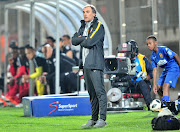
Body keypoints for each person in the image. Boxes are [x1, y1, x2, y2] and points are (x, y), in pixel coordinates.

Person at [72, 5, 107, 127]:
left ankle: (102, 119)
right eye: (83, 12)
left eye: (87, 12)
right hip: (86, 65)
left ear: (94, 14)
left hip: (95, 64)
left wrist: (82, 39)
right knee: (91, 93)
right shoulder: (83, 27)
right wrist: (83, 37)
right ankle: (93, 119)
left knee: (99, 92)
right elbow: (73, 40)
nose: (85, 14)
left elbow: (89, 42)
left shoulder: (99, 26)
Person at [146, 35, 180, 103]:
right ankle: (164, 103)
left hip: (173, 67)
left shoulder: (163, 49)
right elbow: (154, 70)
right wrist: (154, 84)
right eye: (147, 44)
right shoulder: (152, 56)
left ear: (155, 43)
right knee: (158, 88)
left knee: (165, 86)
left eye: (150, 43)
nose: (148, 45)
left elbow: (175, 55)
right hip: (166, 70)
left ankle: (165, 107)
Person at [125, 40, 153, 109]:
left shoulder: (142, 58)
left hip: (139, 83)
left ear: (135, 49)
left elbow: (151, 71)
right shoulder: (122, 59)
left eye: (132, 49)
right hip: (127, 83)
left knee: (142, 83)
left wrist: (147, 77)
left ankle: (150, 105)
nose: (130, 51)